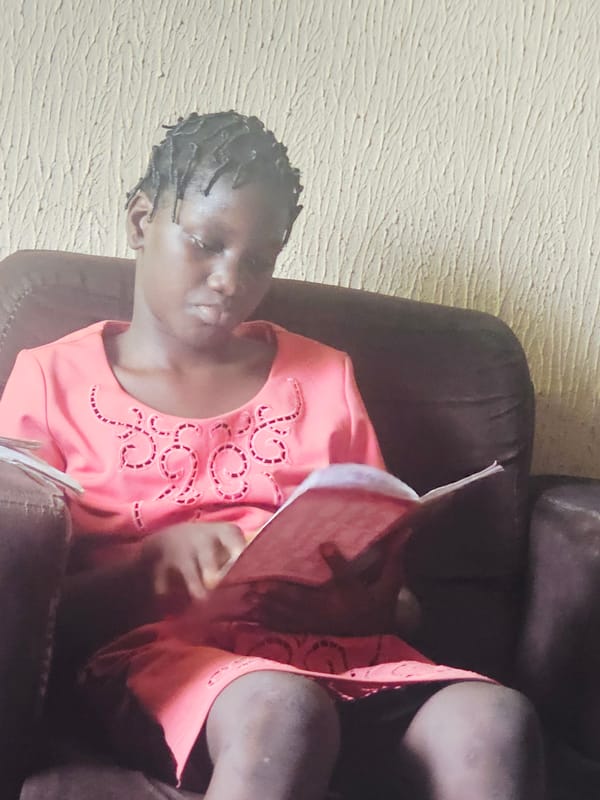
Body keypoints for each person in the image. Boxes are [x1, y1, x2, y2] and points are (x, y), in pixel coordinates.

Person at [0, 111, 545, 800]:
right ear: (141, 222)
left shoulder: (322, 376)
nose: (230, 279)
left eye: (258, 260)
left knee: (496, 719)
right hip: (159, 664)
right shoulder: (51, 379)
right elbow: (20, 604)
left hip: (343, 658)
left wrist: (370, 608)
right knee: (284, 712)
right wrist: (145, 570)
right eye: (206, 244)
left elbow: (386, 574)